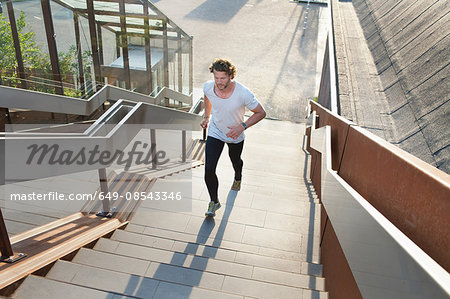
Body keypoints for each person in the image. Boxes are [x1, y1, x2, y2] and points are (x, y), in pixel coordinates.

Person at [201, 58, 266, 217]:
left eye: (222, 78)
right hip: (216, 131)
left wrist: (242, 127)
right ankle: (214, 201)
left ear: (231, 76)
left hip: (235, 134)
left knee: (235, 159)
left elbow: (261, 113)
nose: (218, 82)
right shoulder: (209, 87)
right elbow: (207, 97)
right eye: (216, 77)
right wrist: (206, 117)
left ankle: (238, 176)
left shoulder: (243, 93)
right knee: (209, 168)